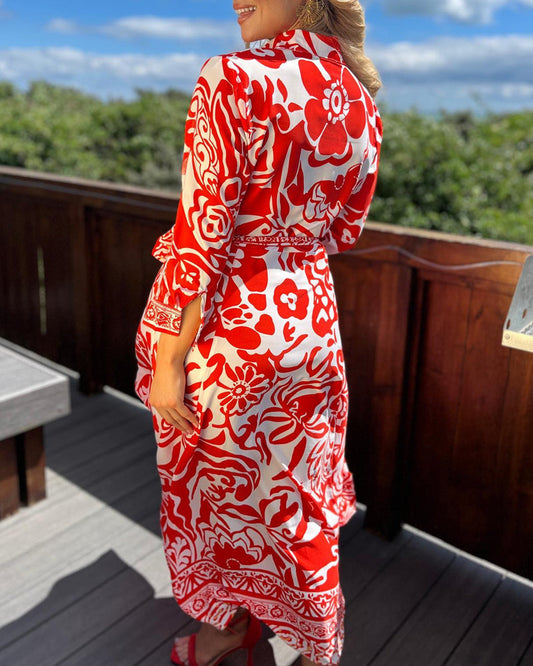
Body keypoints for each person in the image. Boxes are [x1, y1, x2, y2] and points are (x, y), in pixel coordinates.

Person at [135, 0, 382, 664]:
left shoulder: (233, 76)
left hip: (232, 332)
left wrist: (168, 359)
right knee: (296, 496)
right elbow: (345, 230)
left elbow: (202, 237)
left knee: (222, 492)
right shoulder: (359, 97)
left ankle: (231, 630)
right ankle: (310, 643)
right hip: (309, 324)